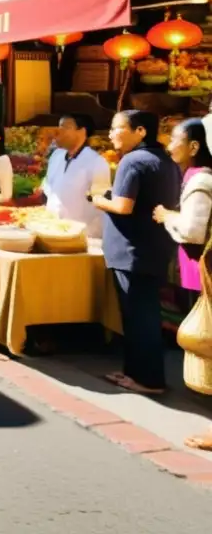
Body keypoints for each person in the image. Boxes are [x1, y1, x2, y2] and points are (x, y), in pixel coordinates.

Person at [91, 110, 181, 395]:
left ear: (140, 131)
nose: (110, 133)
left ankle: (149, 380)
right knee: (141, 314)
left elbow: (123, 207)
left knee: (139, 317)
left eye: (117, 128)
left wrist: (96, 200)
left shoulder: (133, 160)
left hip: (132, 251)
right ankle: (134, 373)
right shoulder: (166, 161)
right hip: (154, 247)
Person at [153, 117, 212, 301]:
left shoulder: (200, 181)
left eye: (173, 140)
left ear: (193, 147)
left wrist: (166, 216)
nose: (169, 147)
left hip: (200, 273)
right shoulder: (194, 176)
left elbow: (193, 232)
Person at [38, 114, 111, 238]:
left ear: (82, 131)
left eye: (65, 127)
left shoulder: (96, 162)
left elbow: (101, 202)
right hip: (52, 231)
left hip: (84, 235)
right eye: (59, 126)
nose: (58, 131)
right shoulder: (56, 156)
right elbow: (48, 189)